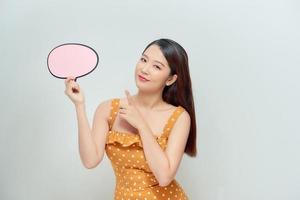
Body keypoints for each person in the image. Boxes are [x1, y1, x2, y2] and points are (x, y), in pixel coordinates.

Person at [64, 38, 197, 200]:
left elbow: (164, 177)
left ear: (170, 79)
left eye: (156, 66)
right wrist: (79, 105)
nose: (145, 69)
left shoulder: (179, 117)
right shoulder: (108, 110)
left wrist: (141, 125)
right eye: (143, 60)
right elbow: (90, 160)